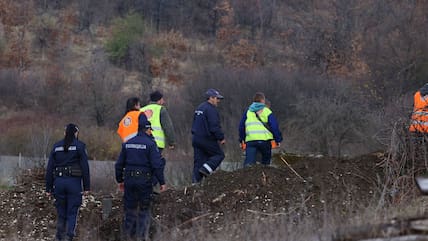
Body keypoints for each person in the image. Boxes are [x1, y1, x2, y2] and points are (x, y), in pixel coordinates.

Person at [115, 113, 167, 240]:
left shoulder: (128, 143)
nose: (151, 132)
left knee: (130, 210)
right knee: (144, 210)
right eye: (150, 130)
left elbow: (118, 164)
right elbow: (157, 165)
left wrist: (120, 180)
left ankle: (128, 237)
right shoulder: (150, 144)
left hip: (129, 180)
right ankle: (140, 237)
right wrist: (162, 182)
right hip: (144, 181)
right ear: (147, 129)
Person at [45, 123, 90, 241]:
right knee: (72, 211)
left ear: (65, 133)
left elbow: (50, 168)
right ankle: (69, 236)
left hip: (59, 183)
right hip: (73, 183)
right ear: (76, 133)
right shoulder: (80, 146)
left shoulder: (56, 147)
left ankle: (59, 237)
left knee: (61, 212)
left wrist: (48, 188)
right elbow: (85, 168)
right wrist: (86, 187)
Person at [140, 90, 175, 187]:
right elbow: (168, 127)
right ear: (159, 100)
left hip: (141, 143)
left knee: (144, 166)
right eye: (162, 99)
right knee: (157, 166)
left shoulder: (141, 110)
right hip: (156, 144)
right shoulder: (161, 109)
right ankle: (150, 186)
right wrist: (171, 142)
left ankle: (143, 186)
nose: (163, 101)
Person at [191, 88, 226, 183]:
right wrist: (221, 137)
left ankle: (195, 183)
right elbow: (214, 126)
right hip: (206, 138)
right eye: (217, 98)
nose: (218, 101)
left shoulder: (199, 108)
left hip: (196, 138)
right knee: (219, 155)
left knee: (198, 162)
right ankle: (206, 170)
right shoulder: (211, 109)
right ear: (211, 98)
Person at [239, 92, 283, 167]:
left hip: (250, 141)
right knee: (265, 165)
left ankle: (247, 177)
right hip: (265, 142)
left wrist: (242, 139)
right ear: (263, 100)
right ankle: (263, 176)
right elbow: (274, 127)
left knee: (248, 165)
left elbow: (241, 126)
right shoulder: (267, 111)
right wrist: (278, 139)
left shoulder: (248, 112)